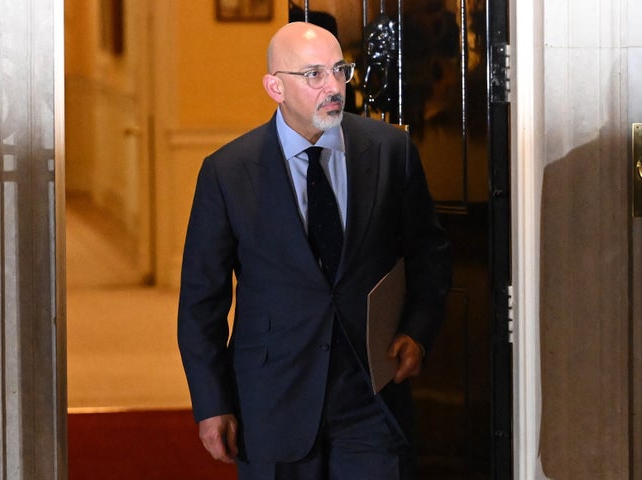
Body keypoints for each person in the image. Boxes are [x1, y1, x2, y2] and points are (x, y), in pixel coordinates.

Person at [177, 21, 451, 480]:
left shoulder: (391, 151)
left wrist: (418, 330)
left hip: (370, 394)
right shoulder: (228, 172)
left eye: (339, 70)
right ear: (274, 87)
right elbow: (201, 302)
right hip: (272, 398)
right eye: (314, 74)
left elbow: (430, 252)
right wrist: (211, 403)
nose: (334, 87)